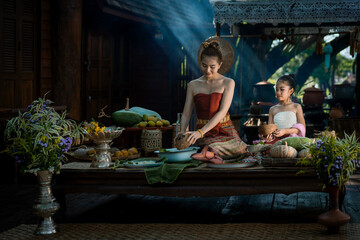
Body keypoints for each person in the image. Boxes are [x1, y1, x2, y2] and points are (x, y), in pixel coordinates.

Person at [178, 37, 247, 158]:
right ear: (200, 62)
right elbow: (186, 114)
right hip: (203, 133)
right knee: (209, 150)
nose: (208, 70)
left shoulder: (228, 82)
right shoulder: (193, 85)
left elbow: (222, 112)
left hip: (225, 130)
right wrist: (182, 134)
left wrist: (200, 132)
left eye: (212, 66)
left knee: (241, 150)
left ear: (220, 64)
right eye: (204, 65)